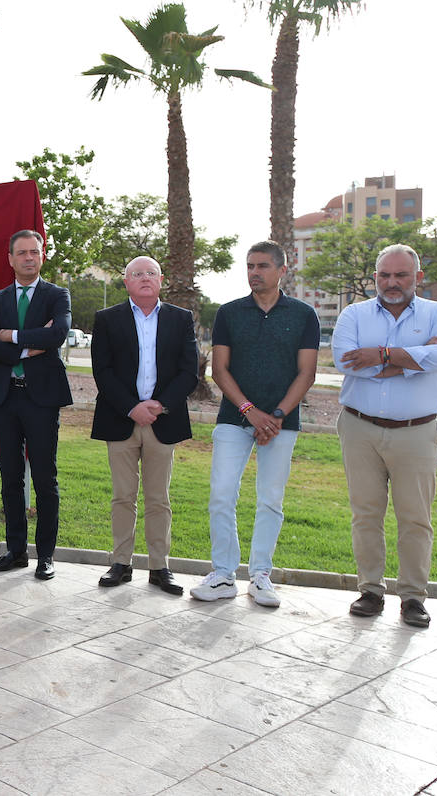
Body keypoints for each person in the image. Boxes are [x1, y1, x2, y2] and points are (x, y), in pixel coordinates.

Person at [334, 244, 437, 628]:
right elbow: (346, 361)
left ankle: (412, 598)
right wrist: (417, 359)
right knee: (366, 514)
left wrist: (384, 355)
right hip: (359, 428)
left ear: (417, 278)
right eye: (384, 275)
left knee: (415, 518)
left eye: (401, 275)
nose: (391, 282)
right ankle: (371, 591)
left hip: (416, 433)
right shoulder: (353, 314)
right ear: (375, 277)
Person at [191, 240, 319, 607]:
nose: (254, 273)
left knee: (270, 500)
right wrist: (250, 411)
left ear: (282, 270)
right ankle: (223, 575)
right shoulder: (230, 313)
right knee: (221, 494)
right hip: (235, 418)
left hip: (281, 422)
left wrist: (276, 415)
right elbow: (220, 370)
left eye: (262, 266)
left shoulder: (303, 314)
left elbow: (307, 373)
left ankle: (261, 575)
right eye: (249, 266)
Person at [90, 256, 198, 596]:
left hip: (162, 420)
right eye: (137, 274)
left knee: (158, 498)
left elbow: (188, 371)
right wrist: (132, 407)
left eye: (150, 273)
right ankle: (121, 563)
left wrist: (159, 405)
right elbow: (102, 370)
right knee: (123, 496)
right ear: (126, 282)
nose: (144, 278)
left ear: (161, 280)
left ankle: (159, 567)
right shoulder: (107, 319)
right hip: (119, 419)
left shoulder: (181, 319)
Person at [0, 230, 72, 581]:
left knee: (45, 479)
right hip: (5, 397)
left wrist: (12, 335)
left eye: (35, 252)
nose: (29, 258)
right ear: (11, 258)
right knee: (10, 478)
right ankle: (15, 551)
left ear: (42, 255)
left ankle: (45, 555)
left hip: (42, 398)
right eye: (22, 253)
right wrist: (27, 346)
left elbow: (57, 334)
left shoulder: (56, 295)